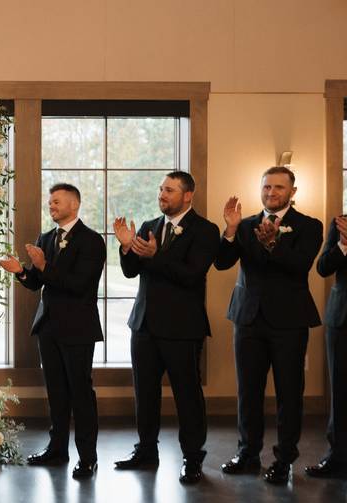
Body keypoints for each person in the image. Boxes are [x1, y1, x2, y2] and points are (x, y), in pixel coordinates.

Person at [214, 167, 322, 485]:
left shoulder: (308, 226)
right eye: (266, 187)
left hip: (289, 320)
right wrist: (231, 230)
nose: (271, 192)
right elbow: (221, 262)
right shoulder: (245, 225)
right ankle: (247, 454)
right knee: (248, 391)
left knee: (289, 392)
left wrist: (274, 244)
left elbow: (301, 265)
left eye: (278, 187)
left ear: (293, 191)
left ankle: (284, 459)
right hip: (247, 318)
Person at [112, 171, 220, 485]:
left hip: (182, 328)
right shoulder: (148, 227)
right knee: (144, 393)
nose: (162, 194)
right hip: (144, 324)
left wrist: (155, 256)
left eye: (169, 190)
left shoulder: (206, 230)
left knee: (187, 395)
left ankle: (192, 458)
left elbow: (191, 274)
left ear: (188, 196)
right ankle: (146, 451)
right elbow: (132, 272)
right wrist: (125, 247)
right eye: (161, 189)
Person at [0, 183, 105, 479]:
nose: (51, 206)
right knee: (56, 392)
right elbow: (36, 282)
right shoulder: (45, 238)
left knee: (80, 393)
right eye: (50, 202)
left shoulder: (92, 241)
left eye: (56, 202)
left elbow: (80, 285)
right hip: (48, 327)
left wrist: (45, 266)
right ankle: (57, 449)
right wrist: (19, 270)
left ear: (74, 204)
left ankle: (88, 457)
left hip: (78, 328)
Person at [307, 212, 347, 477]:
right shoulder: (340, 223)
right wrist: (344, 245)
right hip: (342, 318)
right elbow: (322, 268)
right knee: (341, 392)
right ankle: (338, 458)